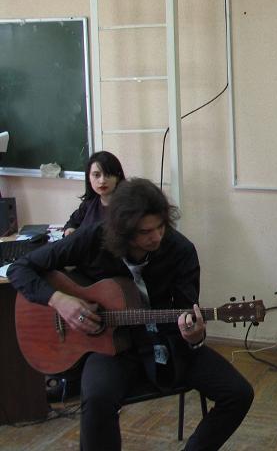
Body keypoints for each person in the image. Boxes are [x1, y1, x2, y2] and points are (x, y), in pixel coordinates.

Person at [9, 178, 254, 451]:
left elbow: (188, 314)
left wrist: (194, 336)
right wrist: (60, 301)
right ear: (122, 231)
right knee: (97, 398)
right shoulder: (94, 238)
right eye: (145, 231)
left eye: (160, 227)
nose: (156, 237)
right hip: (109, 348)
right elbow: (19, 269)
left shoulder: (181, 251)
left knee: (238, 393)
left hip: (166, 342)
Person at [63, 150, 126, 236]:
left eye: (108, 175)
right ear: (89, 177)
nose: (102, 181)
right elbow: (72, 222)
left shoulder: (127, 206)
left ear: (117, 177)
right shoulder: (89, 203)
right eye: (96, 175)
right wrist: (69, 230)